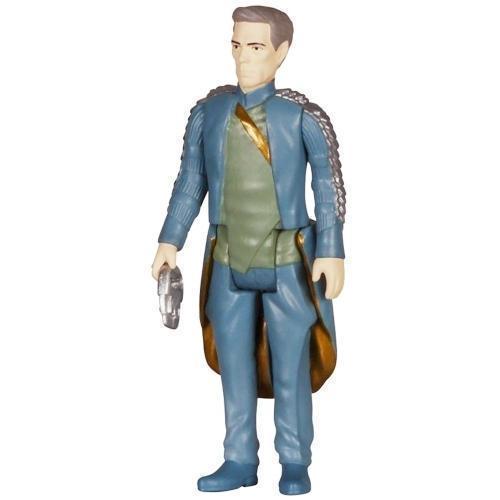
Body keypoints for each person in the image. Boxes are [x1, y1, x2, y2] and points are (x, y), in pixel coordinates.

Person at [151, 5, 346, 495]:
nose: (243, 57)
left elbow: (328, 187)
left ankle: (295, 461)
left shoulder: (303, 117)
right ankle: (239, 459)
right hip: (227, 259)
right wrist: (170, 239)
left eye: (256, 47)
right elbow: (190, 182)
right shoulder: (209, 113)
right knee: (234, 368)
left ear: (281, 51)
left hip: (286, 262)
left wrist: (332, 249)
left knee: (291, 367)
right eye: (237, 45)